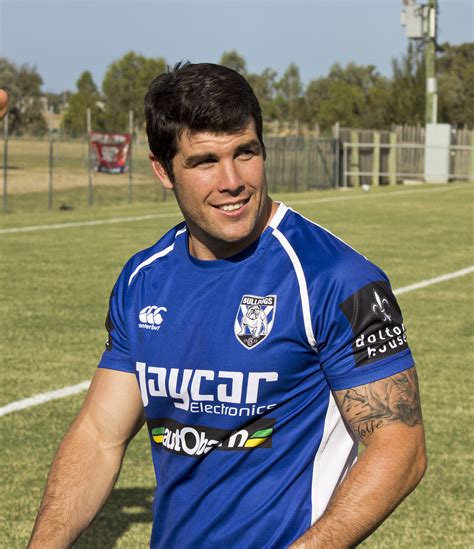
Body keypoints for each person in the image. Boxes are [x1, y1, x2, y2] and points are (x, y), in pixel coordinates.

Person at [28, 63, 426, 548]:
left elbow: (399, 446)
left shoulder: (334, 278)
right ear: (162, 170)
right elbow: (99, 435)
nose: (232, 180)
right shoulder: (144, 279)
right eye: (204, 162)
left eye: (246, 152)